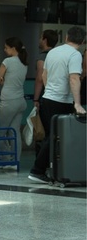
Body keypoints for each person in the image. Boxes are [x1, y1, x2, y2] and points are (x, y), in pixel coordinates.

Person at [28, 26, 86, 183]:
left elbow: (44, 75)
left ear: (66, 37)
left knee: (51, 137)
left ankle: (52, 171)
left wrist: (50, 91)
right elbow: (74, 78)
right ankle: (37, 170)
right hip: (61, 101)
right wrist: (78, 103)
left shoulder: (53, 52)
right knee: (55, 137)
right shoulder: (75, 55)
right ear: (82, 41)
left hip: (47, 99)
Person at [0, 37, 28, 163]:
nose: (4, 50)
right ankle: (15, 161)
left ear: (13, 48)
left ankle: (4, 159)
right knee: (14, 133)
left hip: (8, 101)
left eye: (6, 47)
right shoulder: (24, 63)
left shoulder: (7, 61)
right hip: (20, 101)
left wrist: (2, 81)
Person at [33, 29, 58, 110]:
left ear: (45, 40)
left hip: (45, 96)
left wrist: (36, 99)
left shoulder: (43, 57)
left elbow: (40, 79)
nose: (39, 40)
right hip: (58, 95)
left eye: (41, 38)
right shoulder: (58, 56)